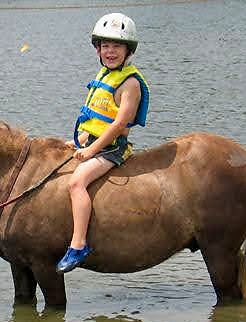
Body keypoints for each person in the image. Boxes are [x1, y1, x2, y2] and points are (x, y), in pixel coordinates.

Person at [56, 13, 150, 274]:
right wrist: (77, 142)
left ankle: (78, 244)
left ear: (128, 51)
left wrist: (90, 151)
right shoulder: (104, 75)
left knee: (76, 182)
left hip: (113, 147)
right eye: (105, 46)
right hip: (94, 140)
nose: (110, 51)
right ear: (98, 49)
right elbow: (96, 119)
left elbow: (118, 125)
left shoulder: (130, 83)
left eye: (117, 46)